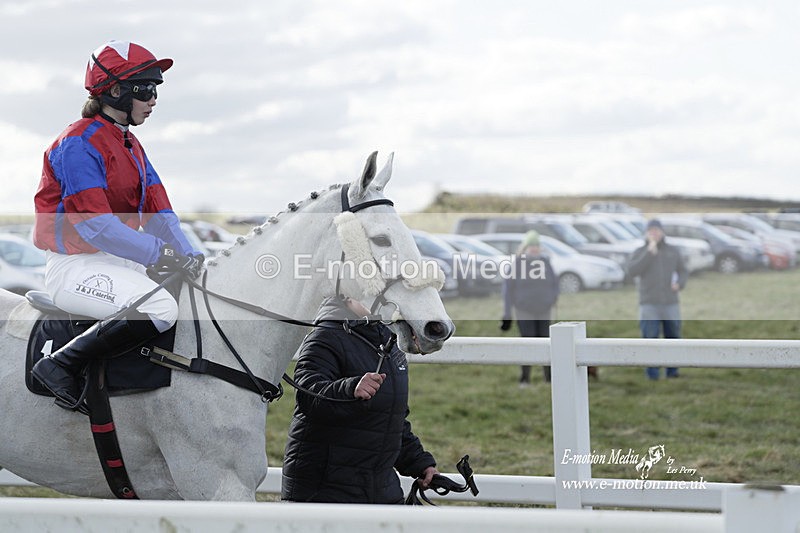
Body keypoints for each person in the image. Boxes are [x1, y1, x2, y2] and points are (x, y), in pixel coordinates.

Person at [30, 41, 204, 411]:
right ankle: (59, 363)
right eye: (145, 89)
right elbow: (97, 227)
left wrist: (190, 254)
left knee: (187, 300)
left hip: (117, 262)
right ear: (114, 91)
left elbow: (160, 211)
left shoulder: (131, 144)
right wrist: (160, 252)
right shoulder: (77, 142)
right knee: (160, 308)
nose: (154, 98)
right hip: (75, 266)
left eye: (156, 89)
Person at [281, 296, 439, 504]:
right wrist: (349, 389)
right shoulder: (324, 337)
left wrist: (419, 463)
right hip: (324, 492)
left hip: (380, 489)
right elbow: (308, 395)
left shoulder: (388, 339)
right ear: (347, 297)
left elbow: (391, 420)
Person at [627, 219, 688, 380]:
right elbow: (633, 271)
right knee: (650, 338)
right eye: (651, 230)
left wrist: (680, 284)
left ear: (662, 232)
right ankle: (652, 374)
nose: (654, 233)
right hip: (649, 303)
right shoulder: (640, 251)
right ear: (646, 233)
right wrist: (649, 253)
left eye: (657, 230)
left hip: (670, 302)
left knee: (673, 337)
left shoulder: (672, 251)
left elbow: (683, 270)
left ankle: (672, 371)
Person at [500, 230, 560, 385]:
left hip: (544, 309)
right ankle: (525, 378)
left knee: (547, 343)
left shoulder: (545, 262)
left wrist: (552, 298)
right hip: (524, 309)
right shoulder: (517, 264)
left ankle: (549, 378)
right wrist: (507, 314)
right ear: (525, 248)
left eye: (537, 246)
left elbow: (555, 283)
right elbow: (507, 290)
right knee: (528, 342)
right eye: (531, 246)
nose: (534, 249)